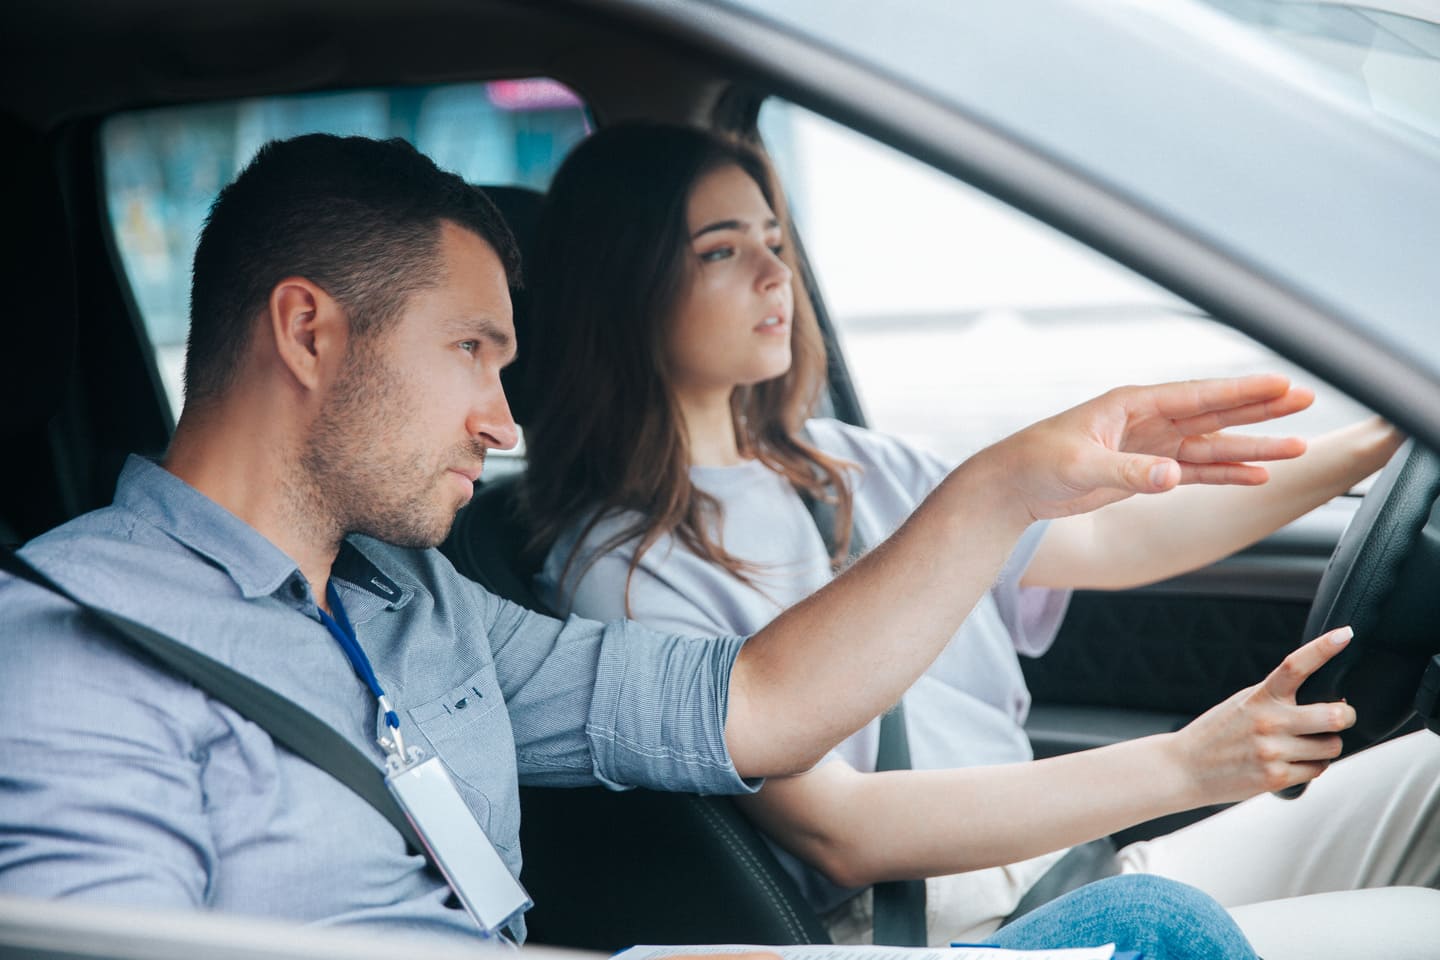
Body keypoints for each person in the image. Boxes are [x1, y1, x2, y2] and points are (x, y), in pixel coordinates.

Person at [0, 134, 1303, 959]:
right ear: (309, 333)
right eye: (470, 353)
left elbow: (756, 702)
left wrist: (1001, 490)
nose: (502, 418)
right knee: (1153, 928)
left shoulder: (423, 606)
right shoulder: (69, 658)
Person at [521, 123, 1440, 958]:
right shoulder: (626, 567)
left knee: (1432, 774)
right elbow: (845, 832)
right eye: (721, 251)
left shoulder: (847, 462)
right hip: (945, 932)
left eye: (773, 240)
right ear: (623, 283)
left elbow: (1121, 544)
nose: (774, 274)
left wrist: (1391, 431)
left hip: (1066, 869)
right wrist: (1186, 764)